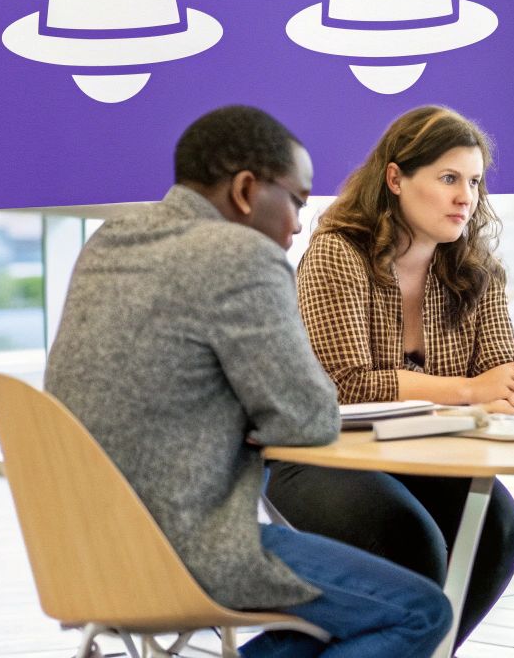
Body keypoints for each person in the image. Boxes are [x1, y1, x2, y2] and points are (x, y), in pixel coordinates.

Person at [43, 105, 451, 658]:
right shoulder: (240, 254)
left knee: (339, 619)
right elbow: (310, 419)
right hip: (189, 548)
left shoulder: (109, 243)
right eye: (296, 201)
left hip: (85, 549)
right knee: (420, 611)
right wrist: (253, 414)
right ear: (245, 190)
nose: (299, 224)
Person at [267, 105, 514, 649]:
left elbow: (498, 369)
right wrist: (471, 390)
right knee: (410, 540)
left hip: (420, 456)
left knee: (498, 530)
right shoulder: (336, 253)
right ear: (396, 179)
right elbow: (344, 384)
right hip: (318, 456)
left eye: (473, 181)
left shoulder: (476, 268)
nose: (465, 197)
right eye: (448, 179)